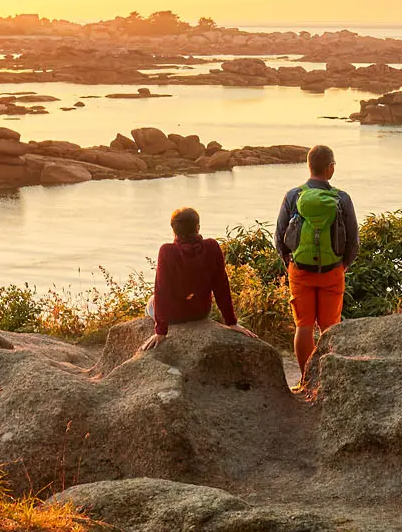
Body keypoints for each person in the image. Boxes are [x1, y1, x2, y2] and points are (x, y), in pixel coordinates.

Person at [274, 144, 359, 376]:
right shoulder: (342, 198)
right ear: (330, 169)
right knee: (330, 329)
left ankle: (305, 378)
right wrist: (342, 266)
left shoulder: (294, 195)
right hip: (332, 271)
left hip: (300, 270)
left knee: (303, 326)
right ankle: (327, 379)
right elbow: (353, 242)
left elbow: (279, 237)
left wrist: (290, 263)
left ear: (309, 166)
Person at [141, 207, 254, 351]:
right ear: (198, 227)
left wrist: (161, 331)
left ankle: (151, 333)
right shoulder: (212, 246)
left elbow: (162, 291)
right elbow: (221, 286)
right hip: (200, 312)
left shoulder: (167, 251)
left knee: (151, 302)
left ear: (173, 230)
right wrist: (231, 322)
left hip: (174, 316)